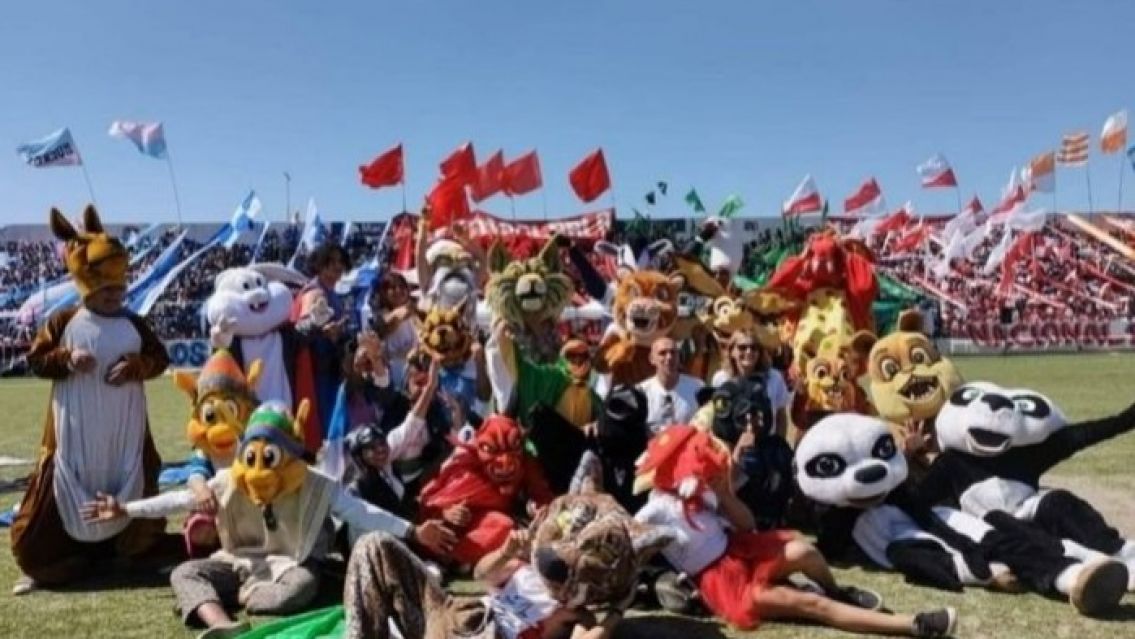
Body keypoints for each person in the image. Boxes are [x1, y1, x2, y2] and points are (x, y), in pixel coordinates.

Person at [81, 400, 458, 639]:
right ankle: (221, 624)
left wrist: (412, 530)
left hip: (290, 567)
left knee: (299, 589)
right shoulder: (230, 479)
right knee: (185, 572)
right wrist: (126, 509)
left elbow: (361, 512)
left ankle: (236, 600)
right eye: (253, 456)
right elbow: (179, 499)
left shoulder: (316, 485)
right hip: (240, 563)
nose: (260, 469)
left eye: (271, 456)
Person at [635, 427, 958, 638]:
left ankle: (835, 589)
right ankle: (913, 624)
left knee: (805, 551)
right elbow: (630, 539)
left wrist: (723, 494)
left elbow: (747, 525)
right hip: (720, 581)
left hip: (741, 549)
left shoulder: (701, 493)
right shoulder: (657, 507)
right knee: (809, 605)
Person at [11, 207, 178, 594]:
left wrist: (138, 365)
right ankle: (51, 564)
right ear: (87, 286)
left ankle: (124, 557)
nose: (114, 296)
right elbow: (36, 360)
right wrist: (67, 359)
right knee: (45, 515)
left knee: (132, 490)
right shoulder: (61, 322)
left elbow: (160, 359)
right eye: (106, 291)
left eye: (119, 289)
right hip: (74, 434)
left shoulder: (134, 323)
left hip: (124, 433)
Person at [344, 529, 622, 639]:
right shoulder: (522, 569)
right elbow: (480, 575)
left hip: (492, 635)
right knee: (375, 544)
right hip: (451, 611)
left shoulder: (572, 608)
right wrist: (506, 552)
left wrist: (616, 612)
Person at [292, 243, 353, 444]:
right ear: (319, 265)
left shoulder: (331, 292)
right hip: (319, 371)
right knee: (326, 427)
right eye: (330, 262)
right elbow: (303, 327)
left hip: (330, 369)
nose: (336, 267)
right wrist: (323, 330)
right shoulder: (315, 292)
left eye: (339, 262)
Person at [711, 328, 790, 438]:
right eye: (742, 347)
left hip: (765, 444)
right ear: (732, 351)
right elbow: (717, 417)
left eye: (754, 348)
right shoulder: (721, 379)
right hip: (730, 444)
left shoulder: (773, 377)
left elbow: (781, 415)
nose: (749, 352)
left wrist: (780, 442)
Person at [637, 337, 704, 435]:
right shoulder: (641, 392)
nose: (669, 357)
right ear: (652, 359)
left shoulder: (697, 388)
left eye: (673, 352)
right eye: (662, 353)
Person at [370, 271, 418, 388]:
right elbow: (392, 320)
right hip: (397, 371)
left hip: (417, 367)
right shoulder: (382, 317)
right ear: (384, 293)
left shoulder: (414, 313)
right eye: (392, 287)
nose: (398, 290)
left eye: (402, 287)